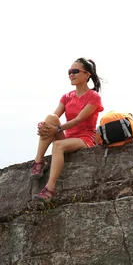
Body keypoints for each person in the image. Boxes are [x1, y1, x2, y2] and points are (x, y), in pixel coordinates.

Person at [30, 57, 104, 202]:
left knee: (58, 145)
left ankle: (50, 189)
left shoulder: (94, 97)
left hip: (85, 139)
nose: (71, 74)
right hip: (68, 136)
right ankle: (38, 162)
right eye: (69, 71)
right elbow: (55, 116)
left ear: (87, 75)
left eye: (75, 71)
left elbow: (78, 120)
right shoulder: (66, 97)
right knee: (50, 117)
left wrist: (54, 129)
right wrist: (44, 125)